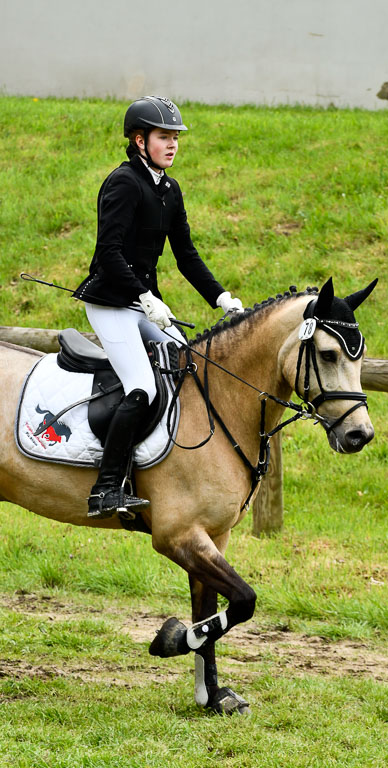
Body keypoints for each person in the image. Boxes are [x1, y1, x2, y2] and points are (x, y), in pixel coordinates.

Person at [74, 96, 243, 519]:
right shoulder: (123, 183)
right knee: (142, 387)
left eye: (175, 138)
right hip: (111, 304)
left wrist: (221, 298)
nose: (172, 145)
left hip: (142, 304)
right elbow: (108, 253)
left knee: (185, 366)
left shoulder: (169, 189)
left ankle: (164, 467)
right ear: (139, 139)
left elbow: (186, 255)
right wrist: (146, 298)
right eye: (164, 137)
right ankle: (106, 487)